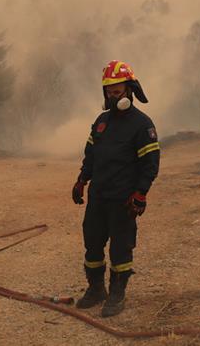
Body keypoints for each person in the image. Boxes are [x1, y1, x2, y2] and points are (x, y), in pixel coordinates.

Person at [71, 60, 160, 317]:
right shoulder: (101, 122)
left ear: (129, 89)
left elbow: (151, 164)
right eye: (109, 91)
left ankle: (117, 293)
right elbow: (91, 155)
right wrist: (81, 180)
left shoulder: (142, 125)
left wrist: (140, 193)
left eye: (117, 90)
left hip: (123, 200)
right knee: (93, 245)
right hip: (99, 197)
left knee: (121, 248)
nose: (113, 95)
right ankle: (96, 289)